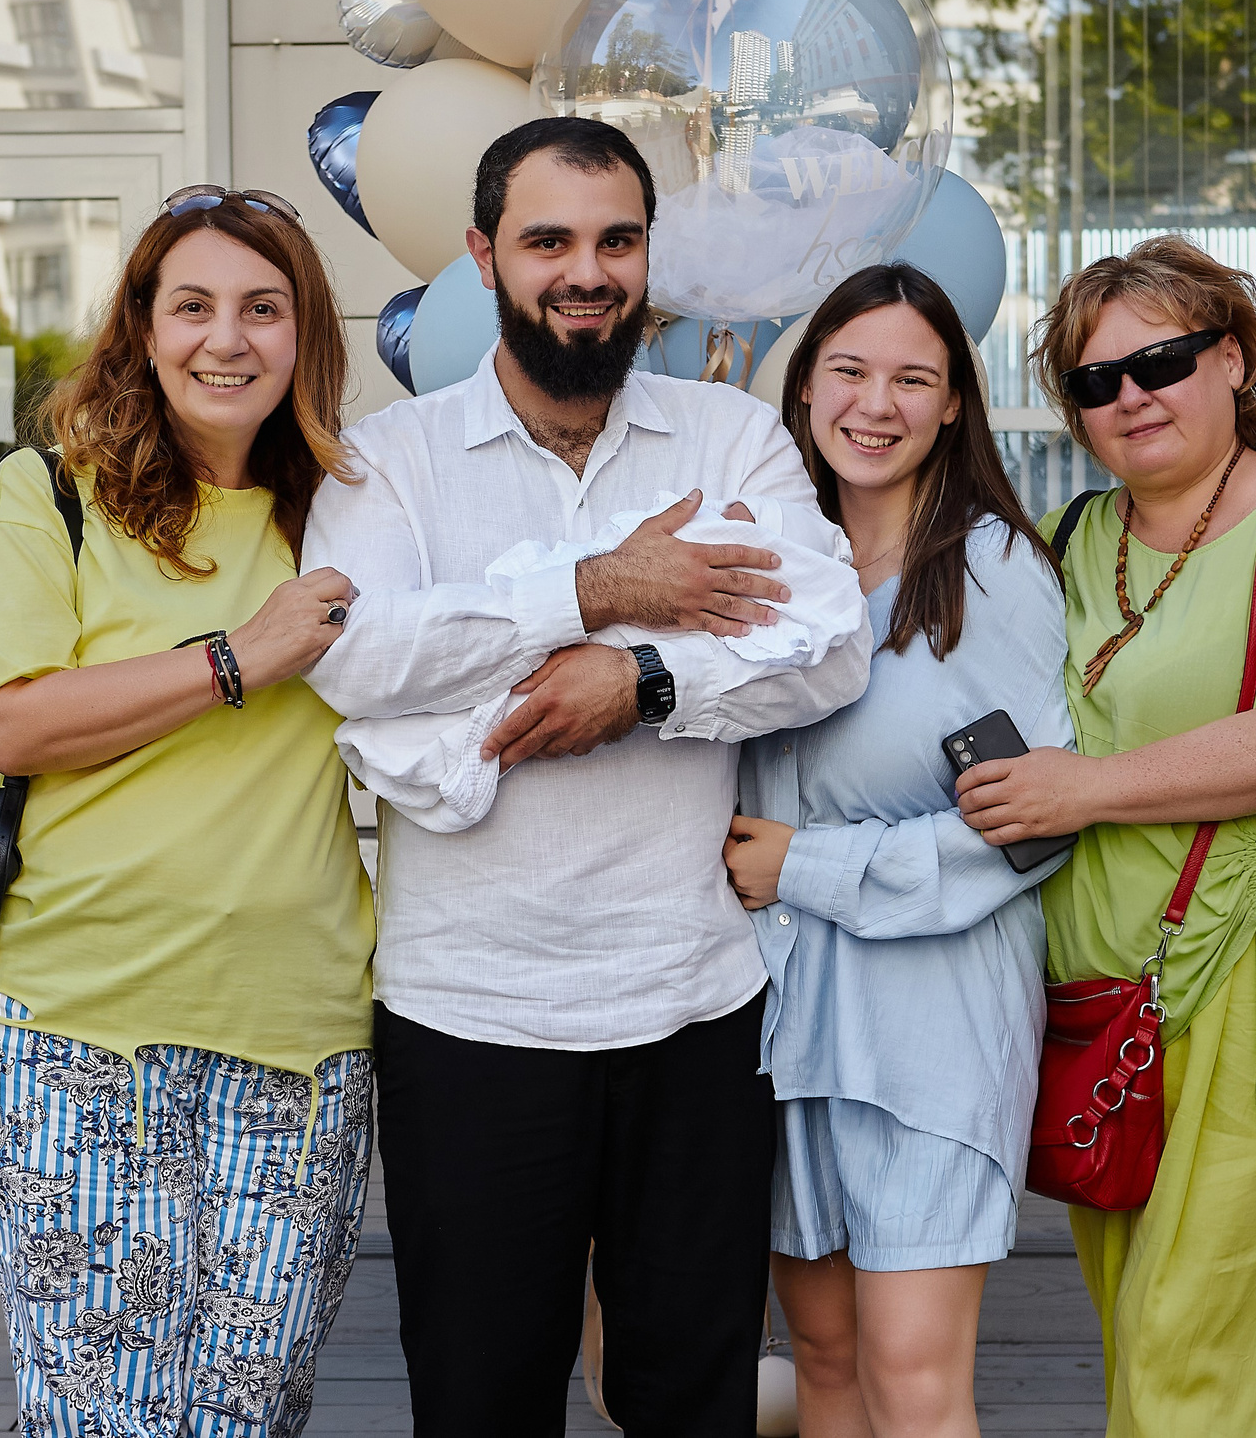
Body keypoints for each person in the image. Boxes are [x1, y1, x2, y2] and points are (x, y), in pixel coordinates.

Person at [303, 117, 873, 1436]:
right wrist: (604, 589)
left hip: (692, 1008)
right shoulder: (392, 461)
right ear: (482, 255)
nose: (588, 269)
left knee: (692, 1401)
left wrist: (644, 685)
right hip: (469, 1019)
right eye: (548, 238)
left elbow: (828, 644)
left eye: (617, 237)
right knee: (482, 1401)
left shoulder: (729, 440)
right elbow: (362, 662)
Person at [957, 235, 1256, 1437]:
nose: (1131, 396)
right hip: (1089, 987)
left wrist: (1086, 790)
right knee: (1139, 1322)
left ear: (1232, 360)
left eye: (1162, 361)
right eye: (1093, 379)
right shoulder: (1069, 540)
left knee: (1201, 1339)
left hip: (1254, 968)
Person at [0, 185, 375, 1436]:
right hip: (72, 1025)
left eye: (262, 308)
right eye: (192, 306)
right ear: (141, 326)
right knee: (105, 1414)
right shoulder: (52, 493)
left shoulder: (351, 509)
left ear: (305, 338)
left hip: (299, 1028)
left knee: (247, 1410)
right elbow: (11, 721)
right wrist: (238, 656)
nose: (225, 340)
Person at [722, 264, 1072, 1438]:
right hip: (786, 1023)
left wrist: (804, 867)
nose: (876, 404)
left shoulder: (992, 577)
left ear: (953, 405)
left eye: (912, 378)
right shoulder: (772, 568)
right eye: (850, 371)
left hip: (929, 1030)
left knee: (913, 1375)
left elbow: (1024, 829)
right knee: (822, 1359)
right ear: (806, 386)